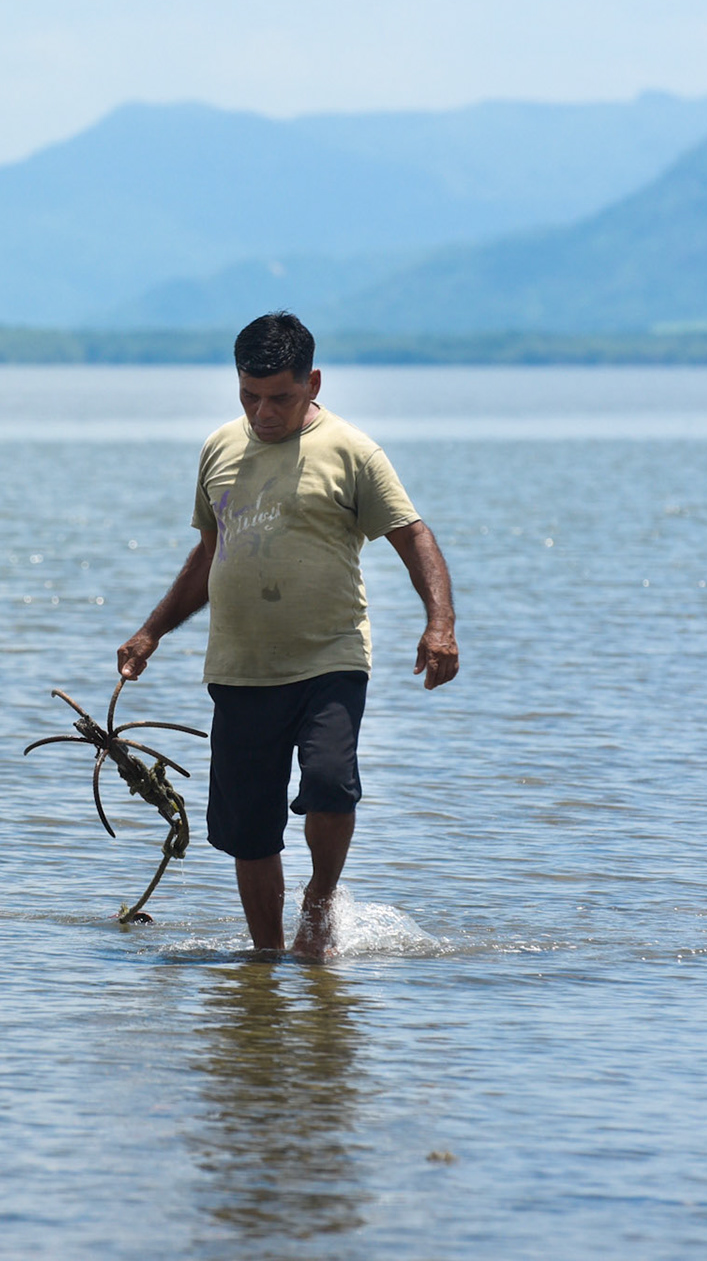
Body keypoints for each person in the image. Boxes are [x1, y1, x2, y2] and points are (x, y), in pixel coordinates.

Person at [116, 312, 458, 960]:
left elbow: (413, 535)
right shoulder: (219, 449)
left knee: (330, 782)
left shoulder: (353, 452)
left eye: (280, 397)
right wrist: (151, 631)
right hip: (240, 667)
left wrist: (439, 623)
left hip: (330, 658)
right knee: (250, 831)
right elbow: (209, 557)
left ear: (313, 382)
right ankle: (270, 960)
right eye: (249, 396)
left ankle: (320, 900)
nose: (263, 412)